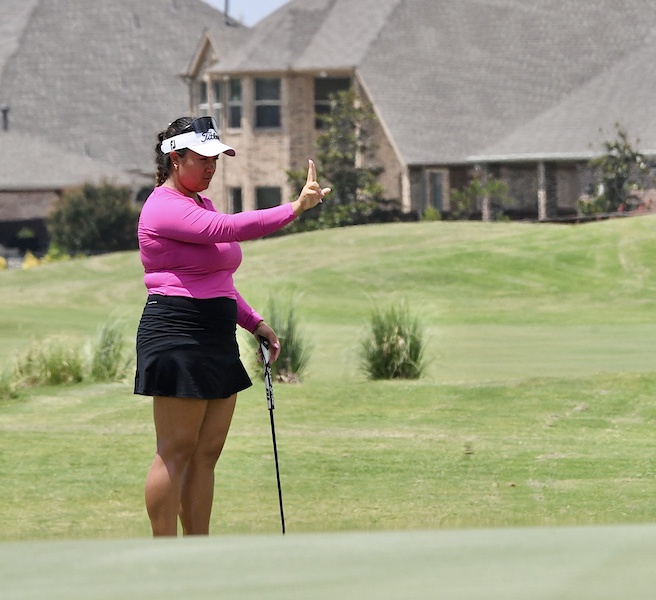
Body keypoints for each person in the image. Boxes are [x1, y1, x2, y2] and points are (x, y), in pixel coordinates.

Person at [134, 116, 330, 536]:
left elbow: (217, 279)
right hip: (176, 332)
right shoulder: (164, 206)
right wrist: (294, 209)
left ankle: (199, 550)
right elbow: (227, 229)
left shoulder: (199, 204)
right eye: (202, 158)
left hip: (215, 334)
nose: (211, 167)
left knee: (206, 454)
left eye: (215, 159)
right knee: (176, 451)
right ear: (175, 157)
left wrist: (253, 321)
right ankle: (165, 555)